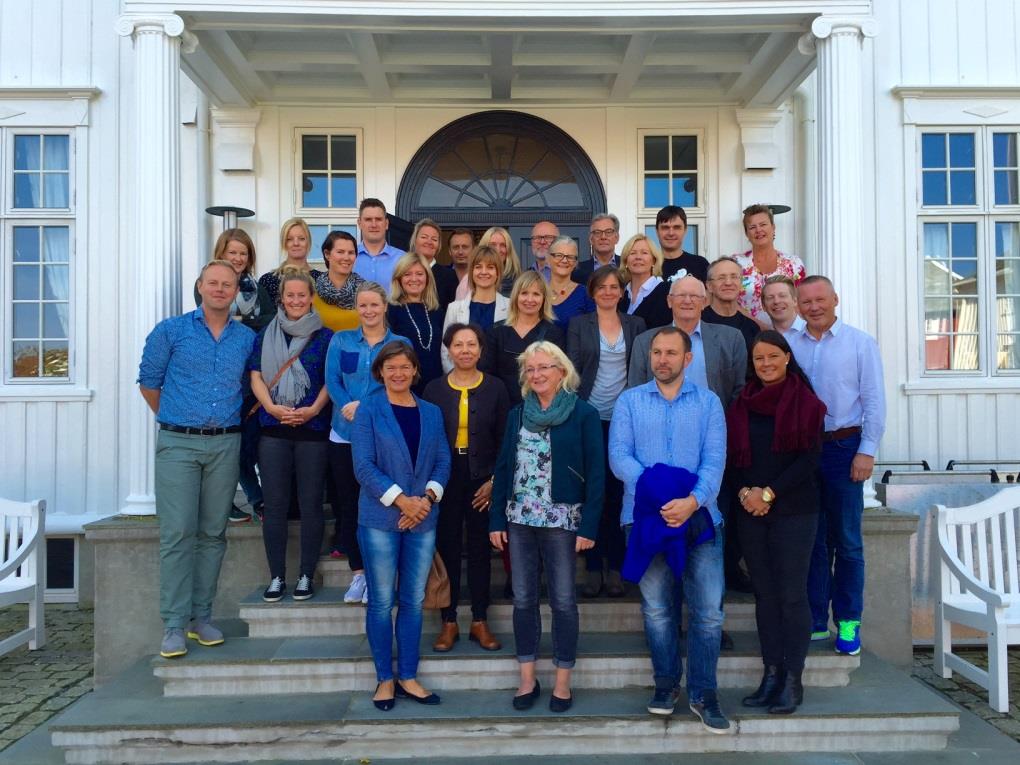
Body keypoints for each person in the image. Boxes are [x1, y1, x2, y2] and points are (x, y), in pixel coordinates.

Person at [608, 327, 728, 731]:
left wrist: (691, 501)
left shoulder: (709, 403)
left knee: (708, 612)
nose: (662, 359)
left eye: (671, 353)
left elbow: (715, 460)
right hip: (644, 517)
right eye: (657, 352)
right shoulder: (629, 401)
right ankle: (665, 685)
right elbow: (619, 457)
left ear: (687, 358)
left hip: (700, 518)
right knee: (658, 610)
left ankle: (703, 693)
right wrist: (661, 498)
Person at [137, 260, 256, 659]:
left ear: (236, 289)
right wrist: (179, 417)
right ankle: (173, 623)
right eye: (213, 283)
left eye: (228, 284)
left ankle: (200, 618)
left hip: (225, 444)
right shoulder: (171, 331)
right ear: (200, 287)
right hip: (179, 443)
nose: (220, 290)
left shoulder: (245, 338)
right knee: (177, 534)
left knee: (212, 535)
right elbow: (149, 383)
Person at [489, 341, 604, 713]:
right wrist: (495, 518)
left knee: (564, 601)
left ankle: (562, 681)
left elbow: (598, 474)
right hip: (519, 518)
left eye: (544, 367)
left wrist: (589, 525)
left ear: (561, 371)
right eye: (530, 369)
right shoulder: (517, 414)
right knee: (523, 599)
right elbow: (504, 467)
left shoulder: (583, 413)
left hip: (562, 519)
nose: (537, 375)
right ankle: (527, 678)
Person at [727, 330, 826, 715]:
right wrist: (745, 495)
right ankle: (771, 674)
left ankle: (793, 679)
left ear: (787, 357)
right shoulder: (741, 403)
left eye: (772, 357)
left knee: (791, 595)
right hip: (750, 510)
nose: (765, 364)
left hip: (795, 510)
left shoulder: (807, 402)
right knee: (765, 596)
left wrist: (767, 494)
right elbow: (732, 457)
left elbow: (809, 461)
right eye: (759, 359)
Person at [789, 276, 885, 657]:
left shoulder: (860, 343)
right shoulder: (791, 345)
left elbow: (874, 400)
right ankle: (814, 618)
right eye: (806, 301)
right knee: (813, 539)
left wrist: (868, 450)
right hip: (804, 451)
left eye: (820, 300)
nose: (813, 307)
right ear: (797, 306)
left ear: (835, 299)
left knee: (846, 542)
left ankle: (848, 620)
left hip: (845, 447)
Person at [352, 341, 451, 711]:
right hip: (380, 518)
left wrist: (426, 498)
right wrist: (401, 500)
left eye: (404, 367)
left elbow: (442, 460)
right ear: (380, 371)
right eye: (390, 367)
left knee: (412, 600)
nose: (398, 373)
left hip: (422, 519)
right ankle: (385, 679)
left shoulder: (431, 412)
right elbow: (363, 466)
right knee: (381, 602)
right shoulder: (369, 410)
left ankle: (408, 676)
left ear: (414, 371)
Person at [424, 323, 510, 653]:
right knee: (446, 547)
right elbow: (428, 440)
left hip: (482, 478)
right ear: (448, 350)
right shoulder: (434, 389)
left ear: (480, 350)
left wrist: (494, 482)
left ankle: (478, 620)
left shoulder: (496, 388)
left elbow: (505, 440)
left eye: (471, 344)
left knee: (478, 549)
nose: (465, 350)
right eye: (458, 345)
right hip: (445, 478)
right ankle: (448, 622)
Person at [249, 268, 334, 603]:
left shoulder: (325, 336)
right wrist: (270, 406)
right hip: (273, 430)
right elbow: (256, 375)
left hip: (313, 429)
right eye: (290, 295)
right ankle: (276, 577)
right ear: (281, 298)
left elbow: (331, 379)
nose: (296, 300)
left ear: (311, 297)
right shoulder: (266, 334)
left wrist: (314, 409)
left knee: (312, 504)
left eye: (302, 295)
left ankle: (304, 576)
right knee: (276, 505)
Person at [324, 282, 410, 603]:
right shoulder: (341, 340)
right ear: (356, 308)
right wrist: (348, 404)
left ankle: (383, 574)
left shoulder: (399, 343)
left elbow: (402, 381)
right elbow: (332, 379)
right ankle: (358, 575)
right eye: (363, 306)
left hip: (384, 435)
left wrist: (366, 407)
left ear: (385, 306)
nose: (369, 311)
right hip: (343, 434)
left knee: (383, 503)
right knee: (350, 506)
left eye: (375, 305)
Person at [567, 266, 646, 598]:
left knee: (618, 492)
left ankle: (616, 567)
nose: (609, 292)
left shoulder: (636, 325)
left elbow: (641, 368)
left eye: (615, 287)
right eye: (603, 287)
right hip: (589, 416)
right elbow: (570, 370)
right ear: (593, 291)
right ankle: (593, 567)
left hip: (624, 419)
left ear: (621, 292)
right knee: (591, 492)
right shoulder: (578, 325)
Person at [195, 229, 273, 524]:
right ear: (222, 253)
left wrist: (244, 321)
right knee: (226, 443)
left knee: (249, 442)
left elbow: (269, 321)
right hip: (222, 373)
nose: (238, 258)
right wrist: (248, 322)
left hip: (252, 374)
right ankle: (238, 501)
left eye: (243, 253)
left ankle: (258, 499)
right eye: (233, 253)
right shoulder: (207, 282)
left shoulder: (256, 287)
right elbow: (214, 316)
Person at [628, 274, 746, 408]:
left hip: (710, 423)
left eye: (694, 296)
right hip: (658, 423)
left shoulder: (731, 339)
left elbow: (739, 391)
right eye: (681, 295)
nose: (687, 301)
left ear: (704, 302)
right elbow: (635, 392)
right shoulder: (644, 342)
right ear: (669, 301)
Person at [481, 270, 566, 406]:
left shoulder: (554, 334)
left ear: (544, 299)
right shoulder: (496, 332)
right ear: (515, 296)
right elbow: (486, 375)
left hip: (540, 409)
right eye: (524, 293)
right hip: (501, 408)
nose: (530, 300)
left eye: (536, 294)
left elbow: (558, 377)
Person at [732, 204, 807, 324]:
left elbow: (802, 300)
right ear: (746, 233)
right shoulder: (736, 263)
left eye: (763, 224)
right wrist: (759, 326)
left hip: (787, 333)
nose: (758, 230)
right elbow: (729, 301)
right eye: (752, 227)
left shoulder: (793, 263)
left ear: (773, 227)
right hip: (746, 331)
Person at [442, 245, 510, 371]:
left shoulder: (511, 307)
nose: (484, 272)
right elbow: (446, 351)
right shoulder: (454, 308)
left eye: (490, 267)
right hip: (462, 382)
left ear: (498, 273)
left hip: (499, 382)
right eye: (478, 267)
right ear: (471, 271)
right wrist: (458, 380)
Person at [386, 253, 445, 394]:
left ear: (427, 278)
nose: (414, 279)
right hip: (403, 386)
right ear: (399, 279)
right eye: (407, 274)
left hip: (436, 386)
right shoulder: (391, 310)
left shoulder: (437, 311)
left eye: (419, 274)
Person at [703, 256, 760, 357]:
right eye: (721, 277)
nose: (728, 283)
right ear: (709, 286)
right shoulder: (698, 322)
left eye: (734, 277)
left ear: (741, 283)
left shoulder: (752, 328)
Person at [258, 218, 323, 305]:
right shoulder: (268, 280)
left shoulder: (321, 280)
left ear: (308, 242)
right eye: (289, 239)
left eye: (301, 239)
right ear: (284, 243)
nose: (296, 243)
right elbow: (262, 316)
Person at [313, 230, 366, 332]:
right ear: (327, 254)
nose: (346, 258)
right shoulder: (312, 291)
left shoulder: (366, 291)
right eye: (340, 252)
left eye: (351, 253)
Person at [354, 198, 405, 293]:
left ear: (386, 224)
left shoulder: (403, 259)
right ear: (359, 223)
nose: (374, 225)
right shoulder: (348, 259)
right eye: (368, 219)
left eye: (378, 219)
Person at [618, 234, 668, 328]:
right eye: (632, 253)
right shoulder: (620, 295)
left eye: (644, 253)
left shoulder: (667, 292)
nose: (638, 257)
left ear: (653, 260)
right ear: (625, 261)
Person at [410, 217, 459, 309]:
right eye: (424, 237)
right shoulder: (404, 272)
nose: (429, 242)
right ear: (415, 240)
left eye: (434, 239)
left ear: (439, 245)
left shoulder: (449, 276)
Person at [548, 236, 596, 329]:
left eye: (570, 257)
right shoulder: (538, 291)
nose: (564, 260)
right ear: (548, 258)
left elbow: (591, 332)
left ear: (575, 263)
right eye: (559, 255)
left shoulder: (585, 294)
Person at [656, 205, 709, 283]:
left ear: (685, 230)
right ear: (657, 231)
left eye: (676, 227)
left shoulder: (700, 264)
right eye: (665, 228)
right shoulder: (647, 265)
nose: (671, 233)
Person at [573, 213, 621, 285]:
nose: (603, 237)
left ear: (616, 238)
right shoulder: (577, 271)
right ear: (591, 239)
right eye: (597, 232)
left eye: (608, 232)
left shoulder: (627, 267)